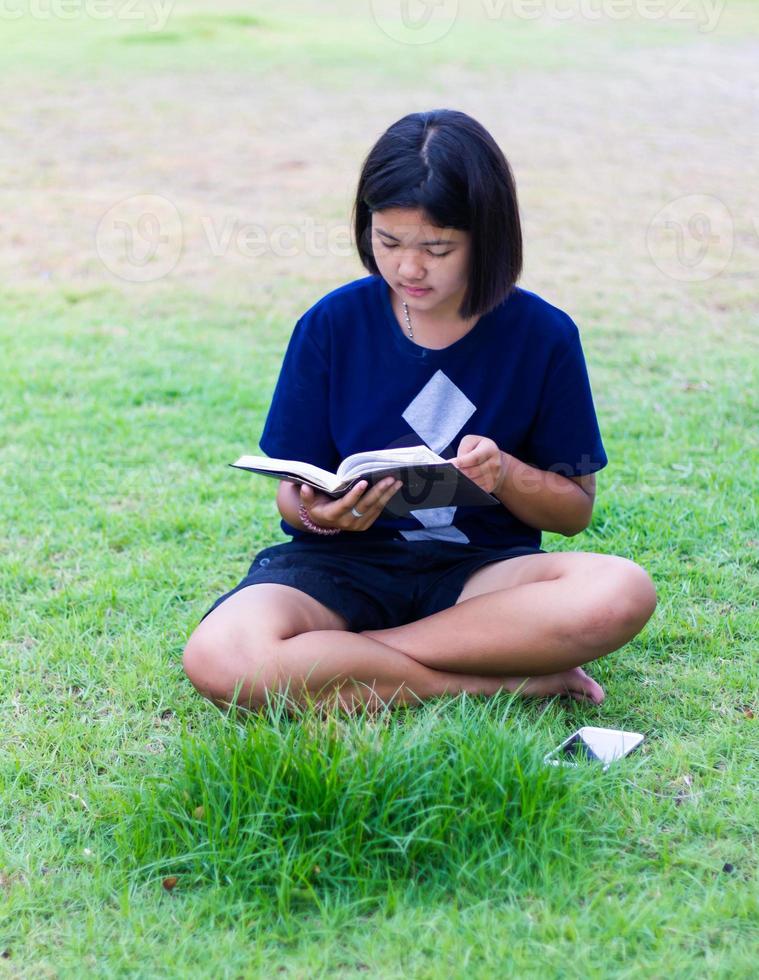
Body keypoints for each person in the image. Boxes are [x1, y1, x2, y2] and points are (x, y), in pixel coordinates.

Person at [183, 109, 657, 714]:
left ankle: (345, 657)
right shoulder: (332, 325)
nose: (409, 268)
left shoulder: (544, 336)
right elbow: (292, 496)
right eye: (389, 242)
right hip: (340, 567)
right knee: (216, 656)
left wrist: (507, 474)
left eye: (438, 248)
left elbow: (573, 511)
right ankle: (493, 679)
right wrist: (325, 513)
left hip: (481, 580)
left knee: (621, 591)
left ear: (488, 238)